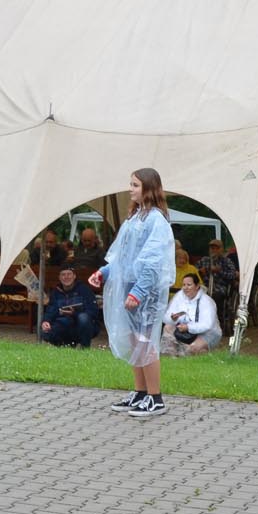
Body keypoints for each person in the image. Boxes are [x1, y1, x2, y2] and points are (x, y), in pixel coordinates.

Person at [89, 168, 176, 418]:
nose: (131, 189)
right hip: (130, 288)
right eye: (131, 184)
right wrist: (104, 273)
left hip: (144, 292)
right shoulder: (136, 217)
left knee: (146, 342)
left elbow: (152, 261)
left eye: (135, 185)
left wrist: (138, 291)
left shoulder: (156, 221)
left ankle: (155, 397)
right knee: (135, 341)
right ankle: (140, 392)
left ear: (149, 188)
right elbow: (123, 256)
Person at [164, 273, 222, 356]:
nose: (185, 288)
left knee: (193, 349)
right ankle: (172, 355)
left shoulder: (206, 301)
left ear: (197, 286)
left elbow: (207, 325)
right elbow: (166, 317)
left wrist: (188, 327)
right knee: (168, 327)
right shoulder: (179, 296)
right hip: (184, 329)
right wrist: (174, 318)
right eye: (184, 285)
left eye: (189, 285)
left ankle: (202, 352)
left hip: (207, 333)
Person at [41, 266, 98, 347]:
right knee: (46, 332)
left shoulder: (84, 289)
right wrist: (46, 321)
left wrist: (74, 313)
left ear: (74, 276)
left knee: (83, 318)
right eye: (63, 275)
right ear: (59, 277)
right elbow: (51, 309)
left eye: (69, 274)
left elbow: (93, 311)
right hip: (64, 323)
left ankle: (85, 348)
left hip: (82, 325)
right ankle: (66, 347)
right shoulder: (56, 292)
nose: (66, 277)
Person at [197, 239, 239, 306]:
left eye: (217, 248)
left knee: (216, 297)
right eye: (212, 248)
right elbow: (194, 273)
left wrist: (220, 271)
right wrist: (200, 272)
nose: (214, 250)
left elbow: (233, 275)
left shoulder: (226, 261)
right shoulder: (204, 260)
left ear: (221, 250)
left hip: (219, 287)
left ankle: (216, 315)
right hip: (204, 286)